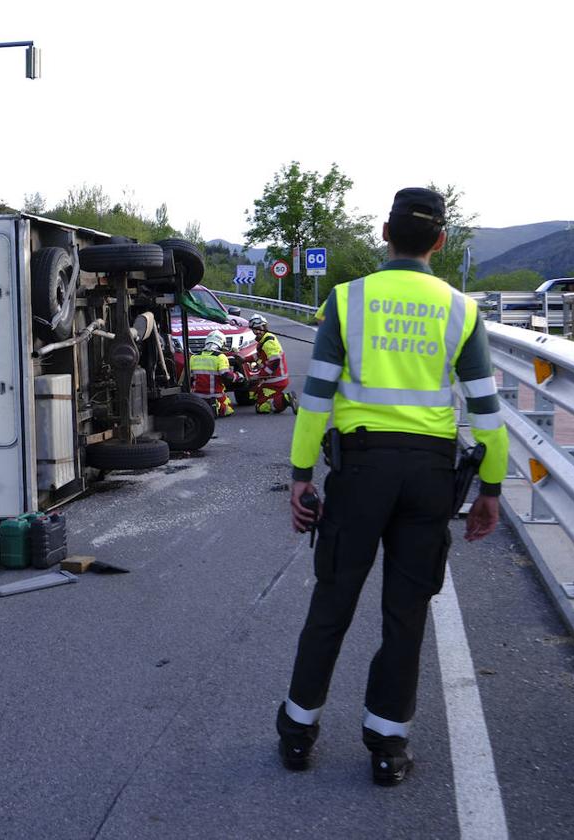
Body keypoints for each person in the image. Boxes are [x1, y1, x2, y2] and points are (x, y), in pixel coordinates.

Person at [275, 187, 508, 786]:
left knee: (332, 601)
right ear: (441, 241)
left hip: (360, 472)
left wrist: (302, 479)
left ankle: (298, 734)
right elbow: (486, 412)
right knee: (405, 615)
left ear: (384, 231)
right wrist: (491, 487)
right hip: (430, 477)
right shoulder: (461, 309)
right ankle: (387, 746)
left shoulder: (347, 301)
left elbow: (315, 402)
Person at [248, 314, 298, 415]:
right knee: (257, 394)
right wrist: (244, 359)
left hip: (275, 381)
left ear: (265, 327)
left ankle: (286, 399)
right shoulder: (264, 340)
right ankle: (279, 400)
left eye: (259, 328)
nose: (256, 332)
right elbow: (259, 356)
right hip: (273, 380)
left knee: (261, 408)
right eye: (254, 329)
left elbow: (275, 361)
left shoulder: (268, 342)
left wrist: (260, 376)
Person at [189, 329, 237, 417]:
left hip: (197, 398)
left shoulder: (193, 357)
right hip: (215, 396)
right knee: (228, 409)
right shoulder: (220, 357)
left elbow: (190, 378)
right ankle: (218, 407)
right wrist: (237, 376)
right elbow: (226, 376)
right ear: (221, 343)